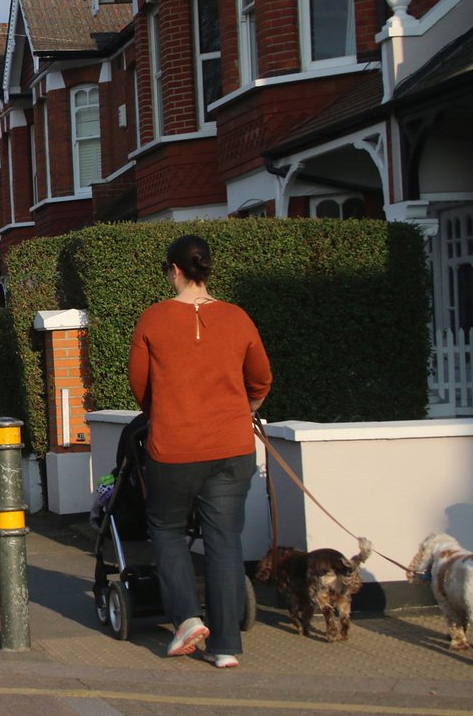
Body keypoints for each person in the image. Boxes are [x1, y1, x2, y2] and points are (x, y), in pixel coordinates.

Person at [127, 235, 272, 669]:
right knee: (224, 541)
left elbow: (140, 385)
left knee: (167, 530)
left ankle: (188, 619)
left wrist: (164, 412)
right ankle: (226, 647)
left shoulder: (153, 319)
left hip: (174, 448)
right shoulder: (238, 317)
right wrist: (244, 409)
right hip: (232, 447)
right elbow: (261, 379)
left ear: (175, 269)